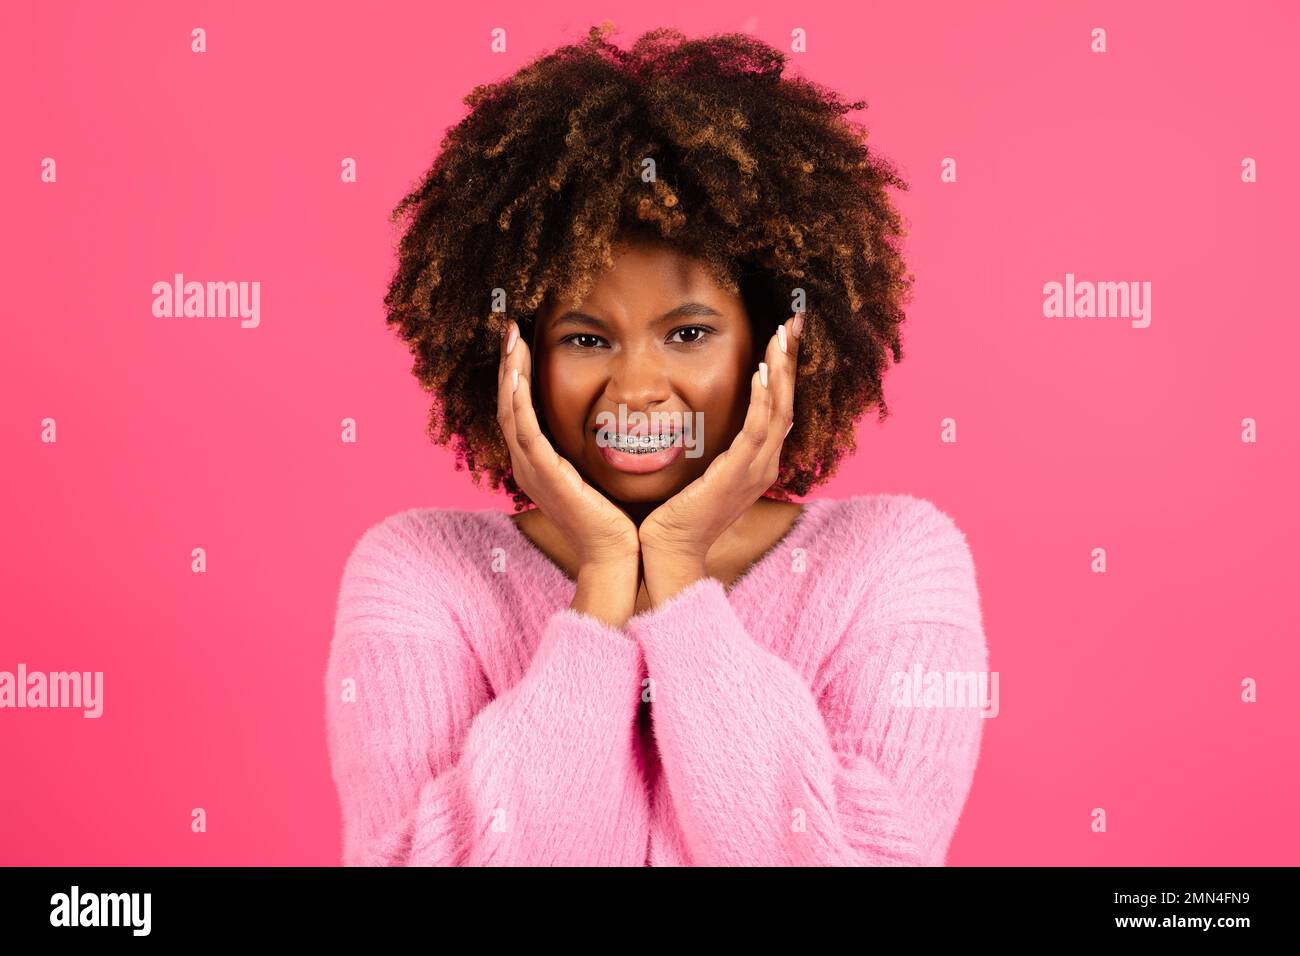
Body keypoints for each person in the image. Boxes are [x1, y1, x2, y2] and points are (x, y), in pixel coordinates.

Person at [325, 23, 987, 866]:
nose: (636, 389)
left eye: (688, 333)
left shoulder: (894, 563)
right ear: (510, 354)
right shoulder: (421, 575)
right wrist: (605, 585)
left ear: (775, 345)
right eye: (586, 339)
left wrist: (675, 572)